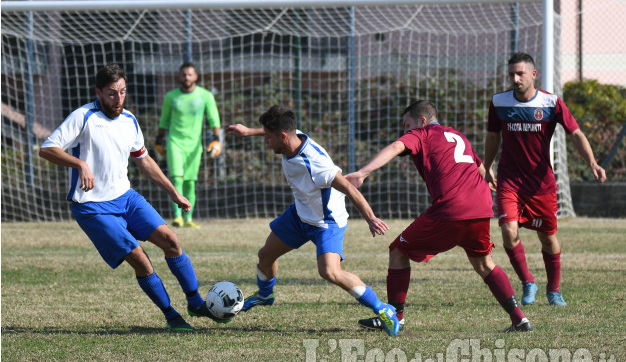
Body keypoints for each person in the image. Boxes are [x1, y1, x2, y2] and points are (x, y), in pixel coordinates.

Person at [39, 64, 223, 331]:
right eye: (112, 93)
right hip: (92, 207)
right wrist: (80, 164)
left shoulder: (129, 120)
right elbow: (47, 149)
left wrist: (174, 193)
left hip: (126, 198)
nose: (118, 99)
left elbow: (144, 160)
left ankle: (195, 303)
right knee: (140, 258)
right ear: (98, 92)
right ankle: (172, 316)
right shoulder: (83, 117)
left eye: (123, 92)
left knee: (171, 240)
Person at [347, 100, 533, 333]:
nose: (405, 131)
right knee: (484, 264)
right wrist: (491, 180)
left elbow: (395, 147)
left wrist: (363, 173)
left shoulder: (422, 134)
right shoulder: (456, 135)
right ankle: (520, 320)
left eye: (407, 125)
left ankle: (396, 318)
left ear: (422, 121)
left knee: (398, 251)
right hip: (482, 207)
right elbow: (479, 168)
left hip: (452, 209)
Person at [226, 105, 400, 336]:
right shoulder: (292, 138)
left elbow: (349, 188)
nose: (266, 141)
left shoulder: (316, 164)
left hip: (326, 222)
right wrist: (249, 132)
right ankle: (265, 295)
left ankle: (383, 309)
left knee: (330, 272)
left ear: (283, 137)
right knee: (266, 255)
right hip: (300, 214)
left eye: (268, 137)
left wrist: (370, 217)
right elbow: (276, 131)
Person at [484, 52, 607, 307]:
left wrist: (592, 162)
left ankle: (554, 290)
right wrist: (487, 166)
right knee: (508, 231)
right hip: (510, 181)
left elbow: (575, 133)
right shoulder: (499, 102)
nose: (515, 79)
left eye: (520, 74)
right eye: (511, 75)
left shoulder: (551, 103)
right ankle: (528, 282)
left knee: (547, 237)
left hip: (541, 184)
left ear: (533, 74)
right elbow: (493, 137)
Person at [155, 62, 221, 229]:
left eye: (190, 74)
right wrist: (158, 140)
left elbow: (214, 119)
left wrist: (216, 139)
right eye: (184, 74)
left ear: (196, 77)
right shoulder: (171, 97)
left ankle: (188, 218)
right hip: (174, 142)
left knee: (190, 182)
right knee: (176, 178)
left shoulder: (205, 96)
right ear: (179, 77)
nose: (186, 77)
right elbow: (164, 121)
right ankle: (177, 217)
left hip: (194, 145)